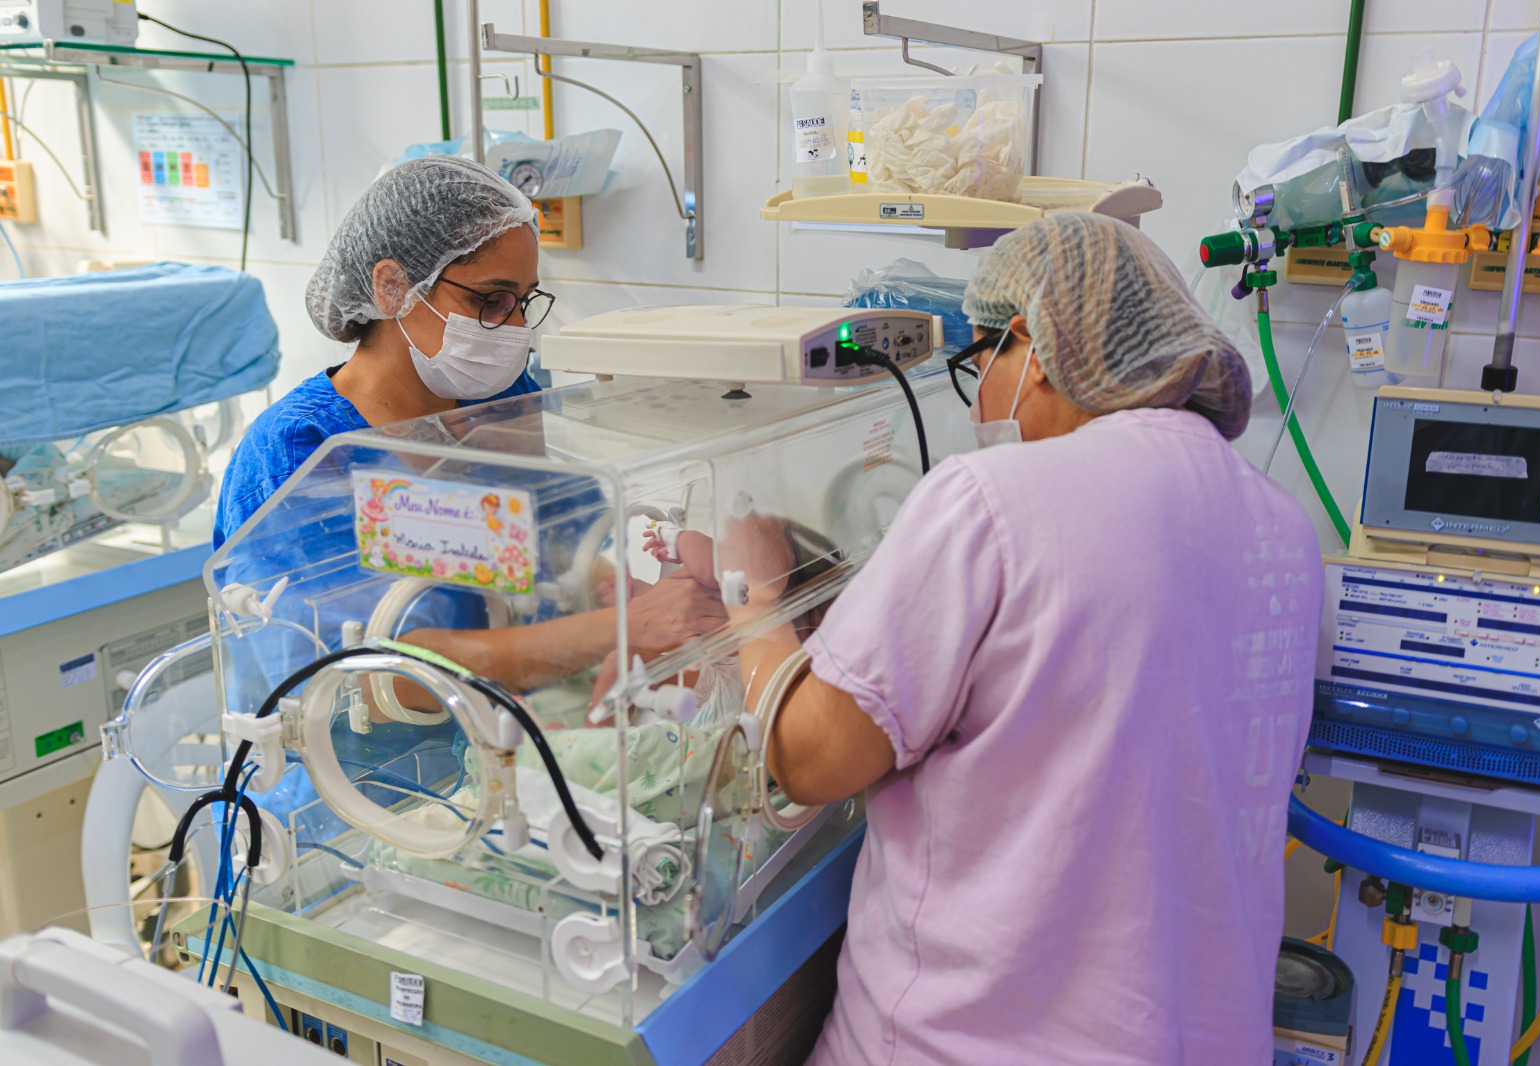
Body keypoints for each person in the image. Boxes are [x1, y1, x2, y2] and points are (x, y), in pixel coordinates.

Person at [724, 213, 1323, 1064]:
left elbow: (806, 760)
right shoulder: (1282, 527)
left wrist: (755, 599)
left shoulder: (991, 497)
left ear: (1033, 346)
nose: (977, 404)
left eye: (979, 363)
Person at [213, 156, 726, 692]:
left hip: (515, 722)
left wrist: (644, 597)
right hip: (372, 743)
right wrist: (624, 627)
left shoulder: (502, 401)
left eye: (524, 301)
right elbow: (352, 680)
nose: (517, 326)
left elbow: (554, 552)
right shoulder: (300, 450)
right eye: (492, 300)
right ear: (393, 287)